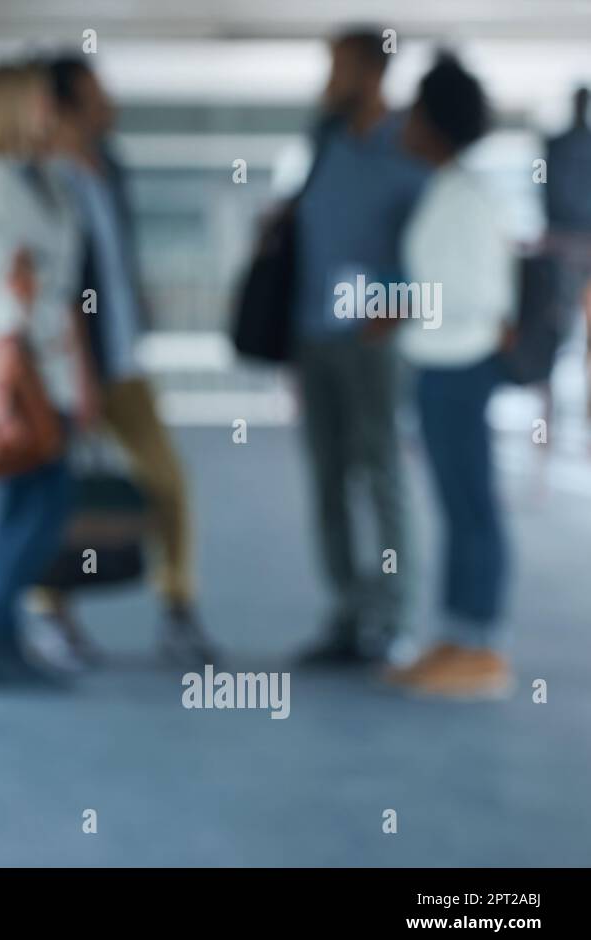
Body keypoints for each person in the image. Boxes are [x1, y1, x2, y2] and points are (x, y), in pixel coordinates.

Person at [27, 53, 216, 669]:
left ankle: (178, 608)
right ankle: (50, 614)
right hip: (65, 367)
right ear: (66, 104)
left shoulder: (109, 165)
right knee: (55, 495)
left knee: (169, 483)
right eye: (96, 92)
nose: (109, 101)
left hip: (123, 362)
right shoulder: (43, 177)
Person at [0, 61, 97, 690]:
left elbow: (51, 280)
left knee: (29, 504)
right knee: (38, 501)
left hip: (49, 362)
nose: (49, 110)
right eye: (39, 100)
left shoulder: (44, 178)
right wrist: (27, 300)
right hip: (18, 368)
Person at [291, 29, 430, 665]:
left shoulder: (409, 146)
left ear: (373, 70)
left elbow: (432, 244)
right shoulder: (326, 142)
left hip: (374, 338)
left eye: (338, 66)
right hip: (314, 333)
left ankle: (392, 618)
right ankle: (346, 614)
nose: (328, 78)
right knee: (326, 476)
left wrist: (398, 302)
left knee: (382, 473)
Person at [383, 53, 515, 698]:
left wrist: (396, 308)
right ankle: (458, 633)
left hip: (460, 366)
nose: (403, 123)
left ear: (433, 122)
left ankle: (481, 644)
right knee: (457, 505)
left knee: (471, 505)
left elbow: (473, 296)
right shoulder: (448, 189)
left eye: (413, 112)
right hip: (443, 366)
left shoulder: (462, 196)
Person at [543, 87, 591, 422]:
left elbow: (545, 193)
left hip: (565, 242)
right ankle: (556, 403)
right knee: (561, 324)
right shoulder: (556, 145)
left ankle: (556, 405)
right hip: (568, 241)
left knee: (563, 324)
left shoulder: (556, 145)